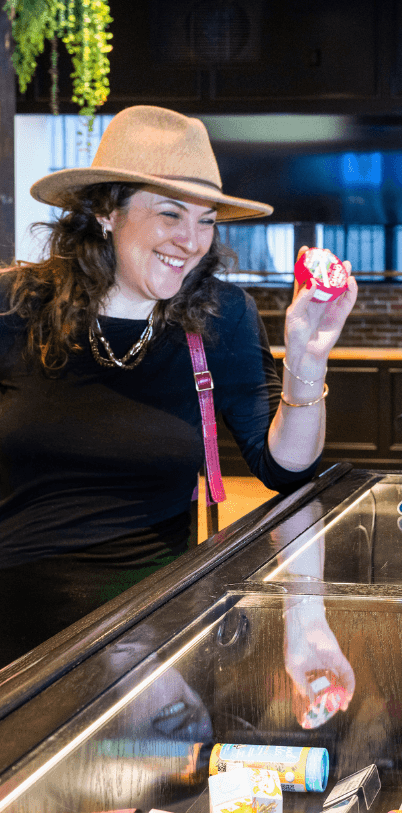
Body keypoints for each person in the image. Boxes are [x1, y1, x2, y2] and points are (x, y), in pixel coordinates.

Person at [0, 105, 359, 670]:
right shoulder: (14, 306)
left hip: (154, 625)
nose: (192, 241)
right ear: (105, 212)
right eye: (171, 214)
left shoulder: (221, 316)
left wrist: (308, 358)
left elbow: (285, 469)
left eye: (206, 219)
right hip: (16, 618)